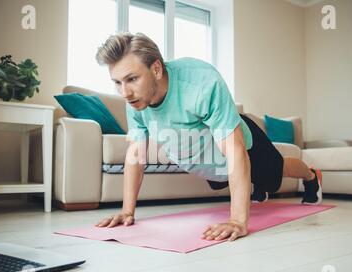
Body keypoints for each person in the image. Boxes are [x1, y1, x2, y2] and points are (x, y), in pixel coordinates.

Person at [95, 32, 322, 242]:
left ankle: (312, 176)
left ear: (156, 69)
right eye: (117, 82)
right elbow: (136, 154)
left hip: (244, 143)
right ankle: (254, 185)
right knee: (230, 176)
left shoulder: (201, 81)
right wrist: (127, 211)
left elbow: (235, 151)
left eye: (132, 79)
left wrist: (238, 221)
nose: (124, 92)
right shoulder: (135, 102)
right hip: (212, 163)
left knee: (276, 172)